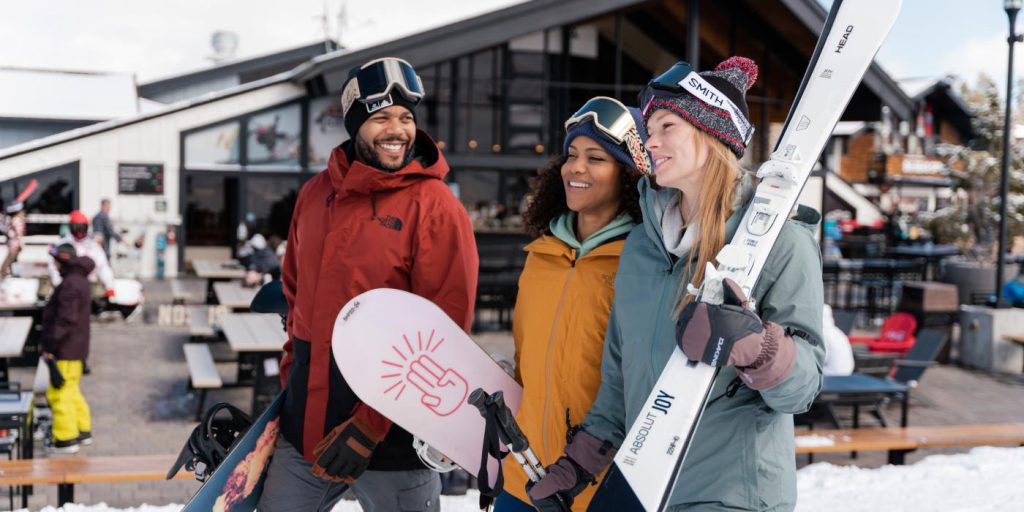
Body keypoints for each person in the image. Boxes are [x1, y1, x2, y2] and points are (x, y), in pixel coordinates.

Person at [526, 58, 825, 511]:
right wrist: (577, 466)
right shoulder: (642, 248)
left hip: (733, 495)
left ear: (712, 135)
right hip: (647, 491)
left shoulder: (780, 241)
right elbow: (617, 383)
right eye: (649, 128)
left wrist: (759, 348)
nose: (651, 140)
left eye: (666, 126)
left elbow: (804, 390)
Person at [257, 57, 479, 512]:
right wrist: (292, 374)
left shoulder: (435, 207)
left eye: (405, 118)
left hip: (392, 443)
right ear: (354, 123)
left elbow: (444, 334)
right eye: (381, 117)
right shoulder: (317, 193)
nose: (396, 129)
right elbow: (295, 292)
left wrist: (370, 427)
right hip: (306, 429)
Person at [493, 97, 648, 512]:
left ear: (629, 175)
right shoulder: (542, 254)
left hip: (601, 485)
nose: (576, 167)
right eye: (572, 154)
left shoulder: (644, 262)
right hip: (523, 477)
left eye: (596, 158)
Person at [40, 243, 94, 454]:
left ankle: (66, 438)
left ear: (63, 261)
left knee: (58, 393)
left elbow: (65, 320)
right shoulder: (80, 280)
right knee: (71, 390)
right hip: (76, 349)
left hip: (65, 349)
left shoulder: (70, 284)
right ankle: (82, 430)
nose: (54, 265)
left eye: (56, 261)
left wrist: (50, 346)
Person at [48, 210, 116, 299]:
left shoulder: (93, 246)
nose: (79, 231)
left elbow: (103, 267)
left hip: (88, 288)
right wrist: (59, 285)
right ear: (71, 227)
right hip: (67, 288)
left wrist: (109, 287)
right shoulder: (61, 245)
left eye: (82, 227)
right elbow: (53, 267)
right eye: (76, 227)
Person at [0, 201, 27, 278]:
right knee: (14, 259)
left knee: (10, 259)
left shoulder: (16, 220)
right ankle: (15, 273)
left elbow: (14, 232)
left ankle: (6, 273)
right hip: (16, 242)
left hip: (14, 243)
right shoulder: (19, 219)